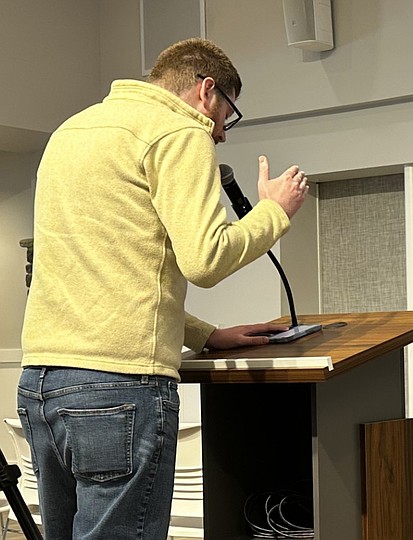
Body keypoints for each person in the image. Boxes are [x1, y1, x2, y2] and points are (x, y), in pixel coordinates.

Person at [18, 38, 309, 539]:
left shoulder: (71, 131)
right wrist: (274, 212)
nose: (220, 133)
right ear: (206, 91)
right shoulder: (179, 129)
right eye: (227, 115)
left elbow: (99, 268)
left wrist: (202, 333)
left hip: (41, 384)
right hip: (119, 387)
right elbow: (207, 258)